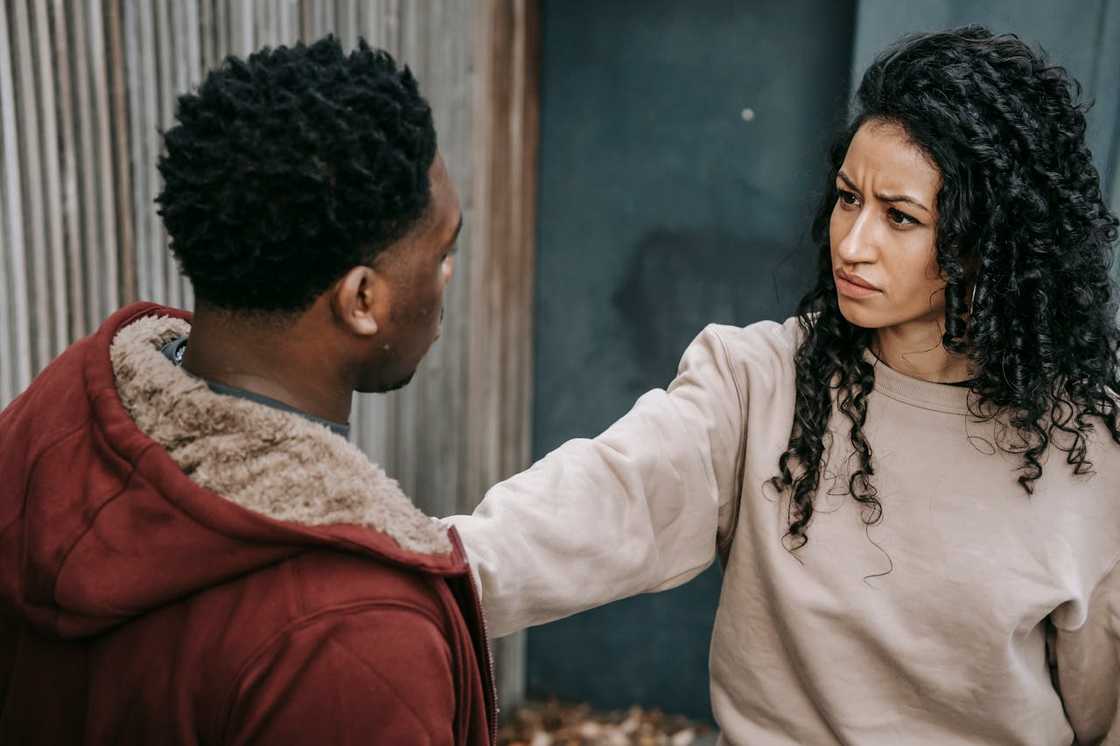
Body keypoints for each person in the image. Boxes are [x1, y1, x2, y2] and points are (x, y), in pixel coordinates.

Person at [447, 26, 1120, 745]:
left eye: (900, 217)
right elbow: (603, 500)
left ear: (989, 241)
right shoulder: (758, 383)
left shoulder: (1089, 453)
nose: (852, 243)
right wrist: (416, 570)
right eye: (846, 198)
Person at [0, 37, 494, 745]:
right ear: (361, 299)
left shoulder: (51, 426)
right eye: (442, 253)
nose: (446, 277)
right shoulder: (354, 635)